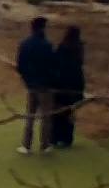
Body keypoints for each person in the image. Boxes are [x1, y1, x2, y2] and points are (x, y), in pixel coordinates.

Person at [16, 16, 54, 155]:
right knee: (46, 117)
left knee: (30, 116)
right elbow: (52, 66)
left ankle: (26, 145)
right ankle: (45, 145)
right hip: (45, 86)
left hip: (31, 85)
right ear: (43, 28)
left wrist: (27, 80)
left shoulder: (25, 44)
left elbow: (20, 65)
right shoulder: (47, 45)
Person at [50, 25, 85, 149]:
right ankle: (67, 138)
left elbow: (56, 64)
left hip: (61, 84)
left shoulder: (62, 47)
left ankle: (54, 137)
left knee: (57, 111)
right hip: (74, 84)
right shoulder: (79, 48)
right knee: (69, 111)